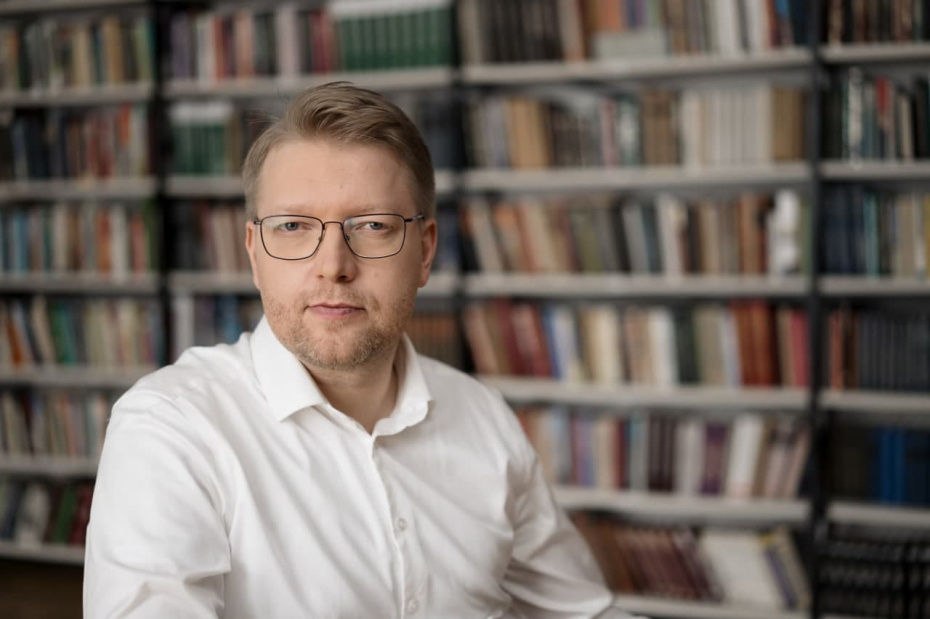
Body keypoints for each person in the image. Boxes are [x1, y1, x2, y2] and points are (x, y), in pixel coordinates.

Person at [84, 82, 642, 618]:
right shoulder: (172, 428)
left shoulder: (481, 417)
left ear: (425, 252)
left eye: (373, 225)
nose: (333, 265)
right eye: (293, 226)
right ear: (255, 253)